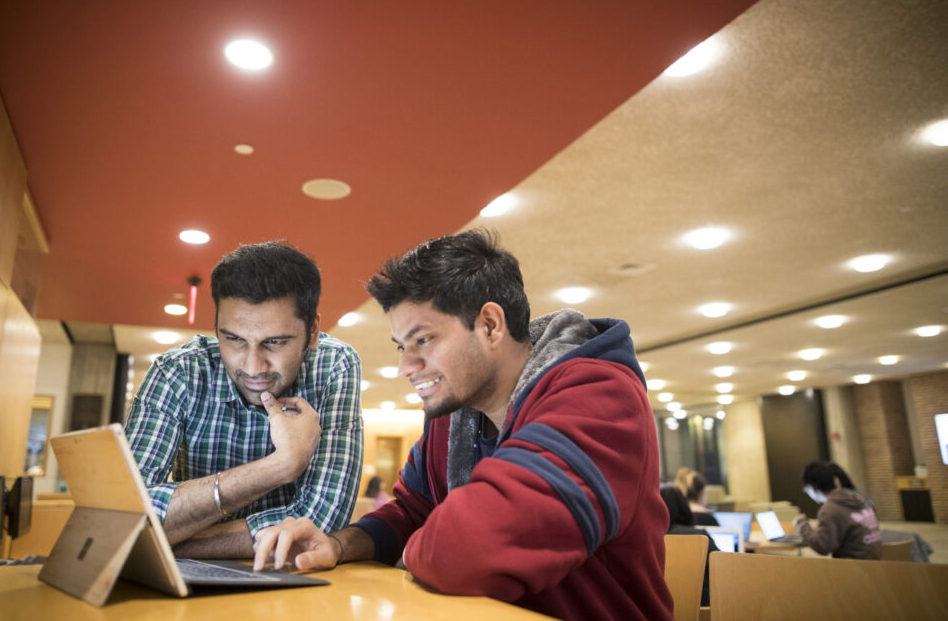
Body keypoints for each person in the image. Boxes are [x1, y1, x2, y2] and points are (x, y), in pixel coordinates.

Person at [253, 229, 672, 620]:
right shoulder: (452, 414)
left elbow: (466, 553)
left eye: (423, 340)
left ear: (490, 325)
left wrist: (420, 546)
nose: (405, 366)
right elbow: (412, 513)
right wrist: (340, 545)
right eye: (402, 346)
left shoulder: (597, 394)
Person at [124, 241, 364, 558]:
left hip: (294, 589)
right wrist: (279, 467)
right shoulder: (178, 371)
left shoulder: (335, 365)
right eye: (234, 339)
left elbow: (321, 521)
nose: (252, 367)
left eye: (275, 342)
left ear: (313, 331)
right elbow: (127, 513)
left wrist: (173, 538)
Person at [793, 461, 881, 559]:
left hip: (852, 566)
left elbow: (823, 547)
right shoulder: (859, 497)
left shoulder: (831, 508)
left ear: (812, 488)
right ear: (835, 481)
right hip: (873, 562)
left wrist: (802, 523)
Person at [660, 483, 717, 606]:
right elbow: (723, 571)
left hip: (667, 608)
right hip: (705, 610)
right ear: (683, 506)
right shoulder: (699, 537)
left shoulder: (654, 540)